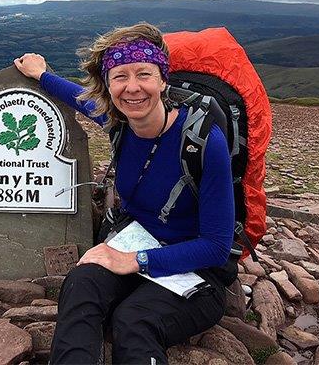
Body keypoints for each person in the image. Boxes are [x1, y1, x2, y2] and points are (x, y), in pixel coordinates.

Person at [14, 22, 234, 365]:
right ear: (109, 85)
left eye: (143, 74)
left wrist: (134, 261)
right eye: (119, 77)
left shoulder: (203, 142)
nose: (132, 88)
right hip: (135, 245)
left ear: (163, 79)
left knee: (134, 320)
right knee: (81, 284)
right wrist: (41, 74)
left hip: (196, 271)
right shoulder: (119, 121)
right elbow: (79, 98)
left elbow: (217, 247)